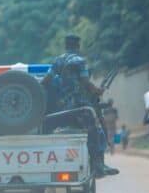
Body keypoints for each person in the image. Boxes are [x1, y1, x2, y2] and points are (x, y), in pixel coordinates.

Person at [41, 35, 118, 177]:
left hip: (62, 108)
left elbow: (46, 80)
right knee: (94, 132)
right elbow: (85, 82)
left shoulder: (58, 60)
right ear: (77, 45)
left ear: (65, 45)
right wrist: (97, 90)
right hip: (79, 106)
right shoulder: (79, 61)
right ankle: (97, 165)